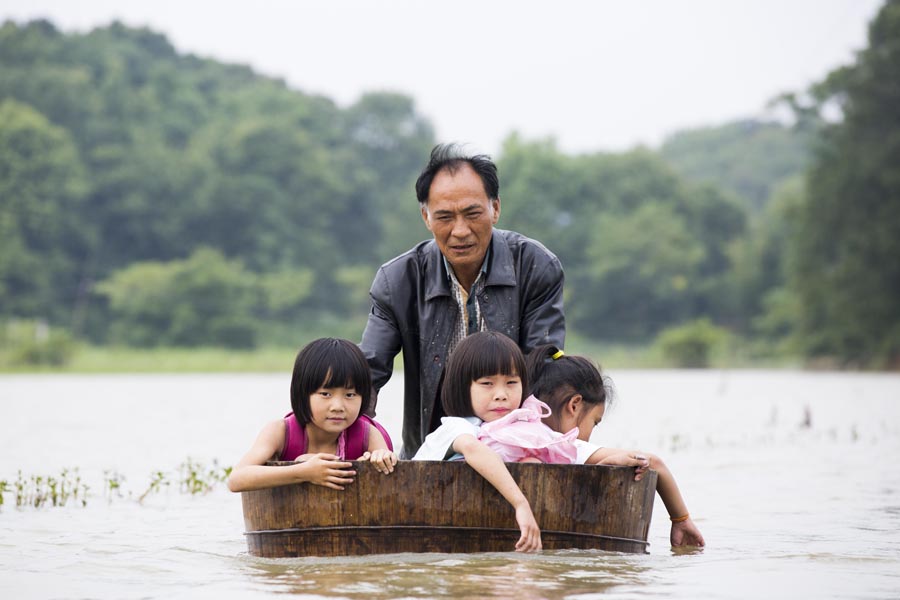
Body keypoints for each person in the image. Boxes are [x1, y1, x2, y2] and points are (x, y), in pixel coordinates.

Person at [360, 143, 566, 458]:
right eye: (445, 217)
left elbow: (545, 368)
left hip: (517, 451)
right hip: (430, 453)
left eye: (472, 214)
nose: (460, 230)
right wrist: (341, 437)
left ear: (495, 208)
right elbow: (365, 374)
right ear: (426, 217)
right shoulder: (398, 281)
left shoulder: (535, 266)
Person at [526, 344, 706, 548]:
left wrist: (600, 466)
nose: (591, 432)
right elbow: (655, 464)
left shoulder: (512, 432)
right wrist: (681, 520)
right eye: (594, 422)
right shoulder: (563, 446)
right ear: (574, 405)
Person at [412, 331, 546, 552]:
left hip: (486, 526)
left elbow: (564, 446)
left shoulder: (520, 428)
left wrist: (605, 456)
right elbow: (472, 448)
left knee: (533, 461)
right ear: (463, 388)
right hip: (436, 525)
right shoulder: (455, 427)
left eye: (511, 382)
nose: (501, 394)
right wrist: (520, 503)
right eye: (487, 383)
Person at [228, 338, 398, 492]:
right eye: (325, 394)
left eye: (350, 395)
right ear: (303, 394)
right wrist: (304, 472)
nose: (338, 407)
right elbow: (236, 480)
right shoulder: (280, 431)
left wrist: (374, 462)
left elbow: (389, 485)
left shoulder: (368, 434)